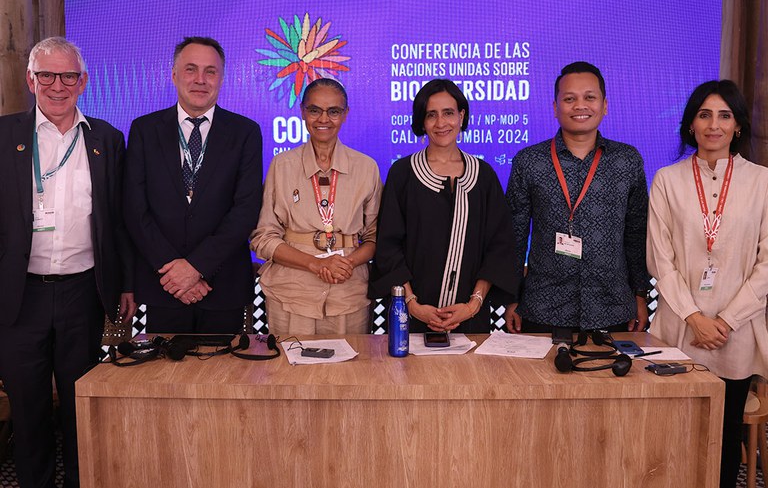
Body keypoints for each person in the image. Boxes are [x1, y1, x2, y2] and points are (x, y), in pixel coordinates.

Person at [0, 37, 135, 487]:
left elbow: (120, 222)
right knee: (29, 409)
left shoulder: (107, 140)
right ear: (31, 79)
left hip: (83, 293)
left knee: (82, 407)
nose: (58, 86)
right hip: (19, 298)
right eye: (47, 76)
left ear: (84, 81)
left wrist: (127, 286)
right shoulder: (4, 137)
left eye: (69, 76)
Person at [647, 80, 768, 488]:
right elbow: (659, 258)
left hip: (737, 332)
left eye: (724, 115)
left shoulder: (761, 181)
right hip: (680, 327)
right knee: (672, 431)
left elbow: (766, 264)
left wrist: (728, 320)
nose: (713, 125)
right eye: (704, 114)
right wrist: (695, 317)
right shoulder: (668, 179)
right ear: (691, 124)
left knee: (724, 432)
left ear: (737, 126)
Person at [124, 37, 262, 333]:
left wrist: (195, 268)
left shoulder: (245, 133)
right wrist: (175, 273)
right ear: (174, 75)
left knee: (223, 377)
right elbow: (135, 210)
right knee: (164, 377)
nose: (200, 80)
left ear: (222, 78)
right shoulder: (144, 130)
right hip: (164, 285)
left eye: (210, 71)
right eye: (191, 69)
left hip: (222, 286)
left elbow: (246, 210)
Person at [505, 61, 650, 334]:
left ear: (604, 105)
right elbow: (514, 236)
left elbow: (636, 233)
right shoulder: (529, 161)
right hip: (544, 307)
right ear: (555, 107)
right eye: (569, 99)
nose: (580, 106)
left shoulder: (627, 161)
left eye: (589, 97)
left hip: (612, 307)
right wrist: (512, 298)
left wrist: (640, 295)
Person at [369, 79, 518, 333]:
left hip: (471, 317)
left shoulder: (483, 176)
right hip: (411, 317)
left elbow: (499, 247)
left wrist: (472, 305)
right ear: (422, 122)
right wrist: (413, 305)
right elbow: (388, 247)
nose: (441, 123)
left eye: (448, 113)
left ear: (461, 116)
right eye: (431, 115)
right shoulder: (403, 173)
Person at [251, 78, 381, 334]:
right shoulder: (282, 165)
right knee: (288, 372)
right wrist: (315, 264)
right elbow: (263, 238)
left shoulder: (366, 167)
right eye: (315, 110)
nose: (324, 119)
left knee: (349, 373)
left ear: (345, 114)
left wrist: (349, 263)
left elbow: (376, 237)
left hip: (348, 293)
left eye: (333, 111)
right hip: (291, 294)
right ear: (303, 112)